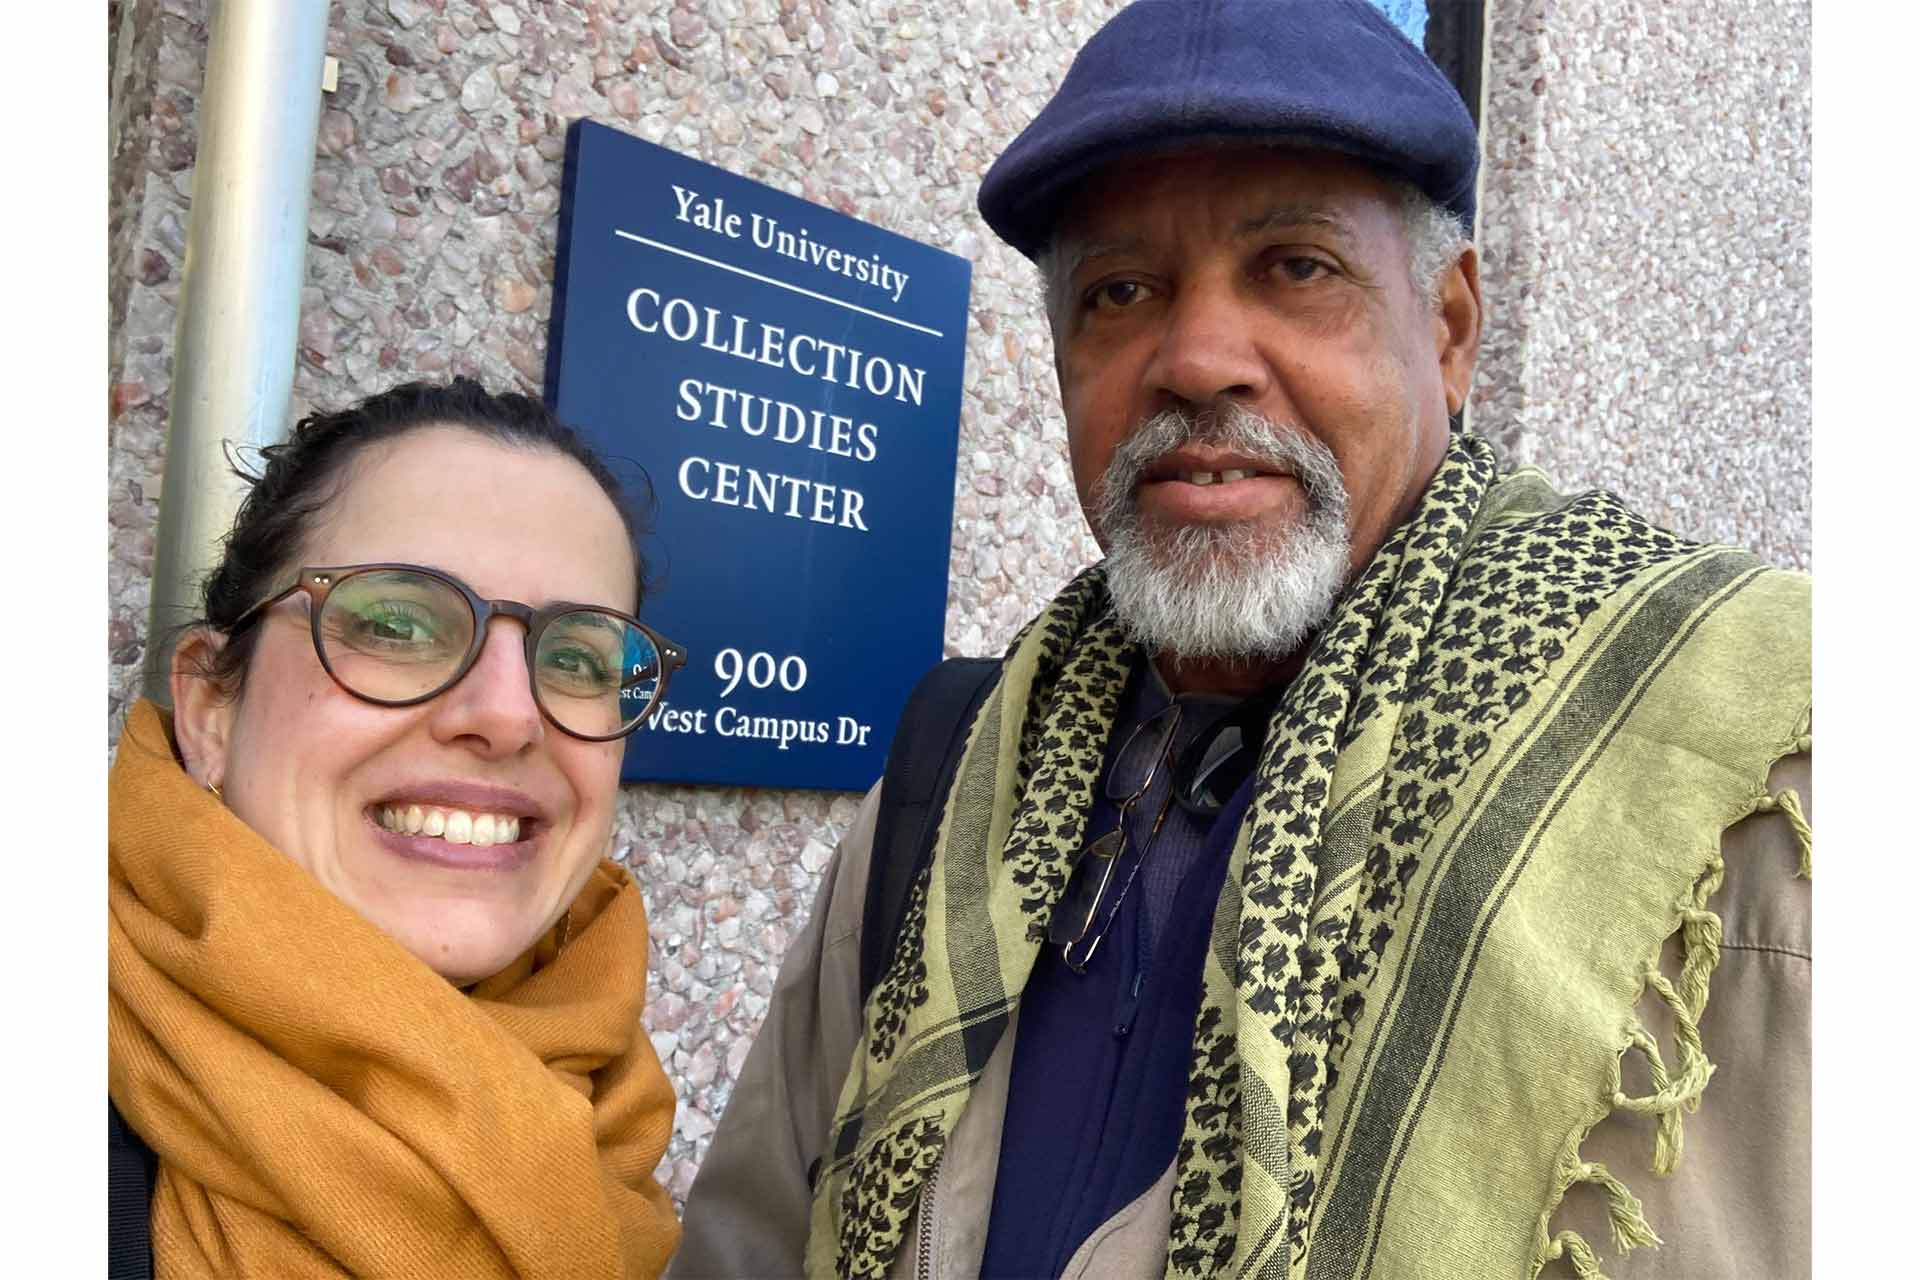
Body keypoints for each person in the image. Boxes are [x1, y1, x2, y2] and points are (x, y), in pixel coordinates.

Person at [675, 1, 1811, 1278]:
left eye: (1296, 266)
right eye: (1121, 290)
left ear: (1448, 327)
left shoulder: (1751, 780)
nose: (1199, 356)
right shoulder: (949, 779)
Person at [108, 378, 688, 1278]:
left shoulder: (615, 1134)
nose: (507, 715)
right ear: (211, 709)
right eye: (393, 622)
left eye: (578, 657)